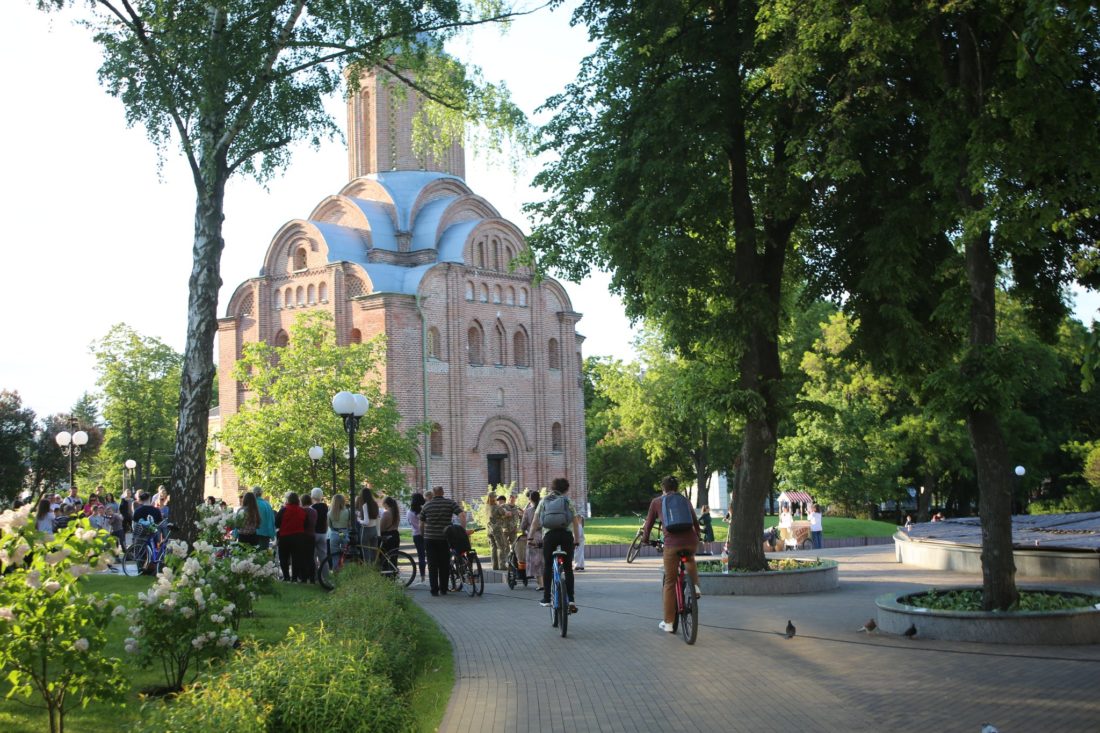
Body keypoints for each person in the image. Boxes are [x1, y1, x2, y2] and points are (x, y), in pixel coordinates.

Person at [644, 476, 702, 633]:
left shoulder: (657, 502)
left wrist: (645, 539)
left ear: (663, 488)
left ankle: (669, 623)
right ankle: (695, 587)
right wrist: (698, 535)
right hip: (690, 540)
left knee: (669, 582)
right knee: (689, 558)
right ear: (677, 487)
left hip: (671, 544)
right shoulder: (685, 500)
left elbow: (648, 524)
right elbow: (695, 522)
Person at [530, 478, 580, 613]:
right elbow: (575, 522)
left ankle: (546, 598)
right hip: (566, 535)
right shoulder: (568, 501)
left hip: (549, 537)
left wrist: (530, 537)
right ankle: (571, 599)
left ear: (552, 488)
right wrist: (576, 539)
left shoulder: (543, 501)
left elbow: (535, 522)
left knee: (547, 566)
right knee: (568, 567)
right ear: (566, 489)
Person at [419, 486, 466, 596]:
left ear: (434, 493)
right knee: (444, 564)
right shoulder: (450, 503)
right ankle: (443, 589)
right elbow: (462, 515)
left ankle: (434, 590)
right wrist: (462, 530)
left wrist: (423, 535)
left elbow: (421, 523)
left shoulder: (427, 505)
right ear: (443, 492)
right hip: (445, 539)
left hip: (430, 539)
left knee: (432, 565)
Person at [274, 492, 310, 582]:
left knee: (284, 558)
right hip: (298, 537)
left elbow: (277, 523)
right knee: (296, 558)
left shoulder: (283, 510)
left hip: (284, 537)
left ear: (288, 500)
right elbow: (306, 524)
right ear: (298, 500)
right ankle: (294, 578)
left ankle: (286, 576)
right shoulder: (302, 511)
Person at [522, 490, 544, 591]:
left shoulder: (528, 511)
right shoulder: (544, 509)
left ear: (530, 499)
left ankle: (540, 584)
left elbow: (523, 525)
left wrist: (524, 530)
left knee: (536, 561)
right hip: (545, 535)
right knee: (544, 559)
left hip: (533, 536)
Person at [356, 486, 380, 564]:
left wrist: (359, 520)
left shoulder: (365, 505)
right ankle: (374, 569)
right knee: (374, 551)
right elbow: (377, 518)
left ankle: (368, 569)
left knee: (365, 551)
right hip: (374, 529)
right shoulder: (375, 504)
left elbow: (366, 522)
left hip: (366, 530)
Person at [407, 492, 427, 582]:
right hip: (425, 534)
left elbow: (410, 523)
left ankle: (422, 576)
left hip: (415, 535)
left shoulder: (408, 512)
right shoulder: (422, 512)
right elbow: (425, 524)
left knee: (421, 555)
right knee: (429, 554)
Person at [309, 488, 329, 574]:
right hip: (323, 533)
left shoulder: (312, 508)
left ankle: (315, 575)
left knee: (313, 556)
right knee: (323, 556)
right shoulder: (325, 507)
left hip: (314, 533)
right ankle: (325, 575)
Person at [488, 494, 508, 570]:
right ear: (493, 498)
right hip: (497, 529)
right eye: (495, 497)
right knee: (502, 546)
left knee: (494, 547)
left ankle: (495, 566)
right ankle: (502, 565)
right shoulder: (497, 507)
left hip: (489, 529)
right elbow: (505, 513)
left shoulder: (487, 507)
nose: (497, 498)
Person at [328, 493, 351, 557]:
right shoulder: (348, 511)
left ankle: (335, 567)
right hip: (344, 534)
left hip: (334, 534)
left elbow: (330, 525)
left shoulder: (329, 513)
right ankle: (345, 567)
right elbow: (349, 524)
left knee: (334, 556)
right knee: (345, 555)